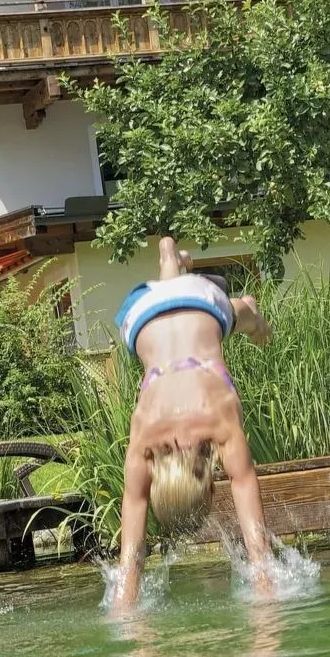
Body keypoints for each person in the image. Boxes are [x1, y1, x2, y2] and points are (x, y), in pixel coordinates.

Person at [113, 236, 274, 609]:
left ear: (208, 485)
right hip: (144, 312)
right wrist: (126, 595)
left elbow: (244, 480)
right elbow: (135, 502)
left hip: (203, 303)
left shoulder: (216, 423)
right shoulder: (145, 437)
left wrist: (264, 576)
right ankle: (169, 260)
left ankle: (251, 312)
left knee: (242, 316)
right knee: (185, 306)